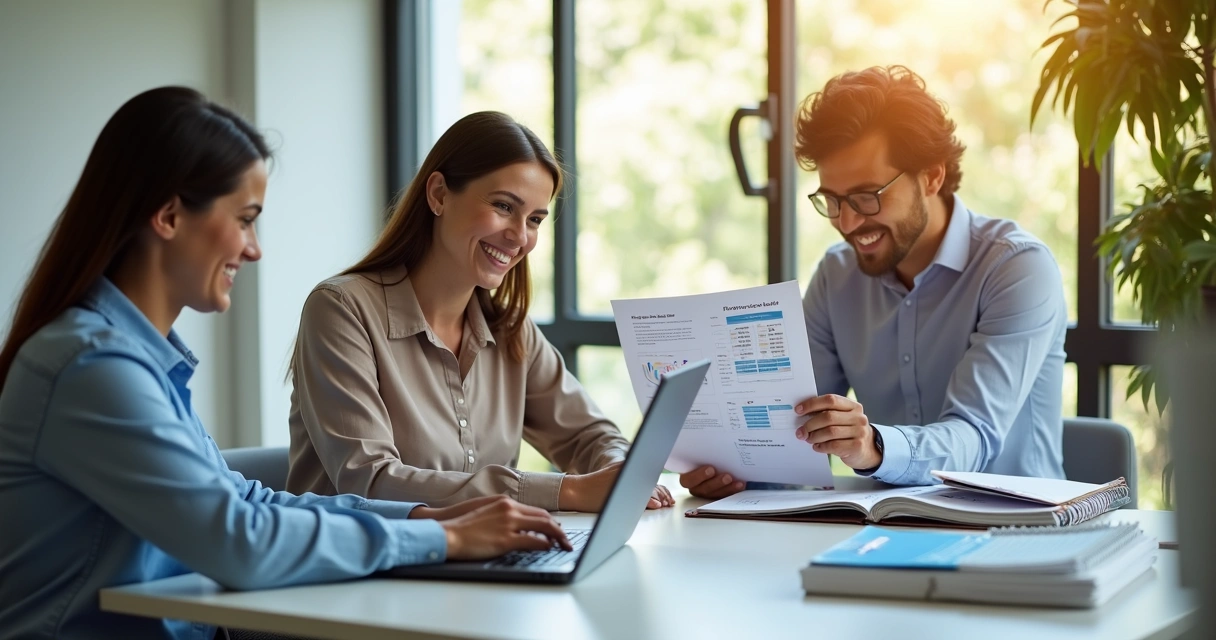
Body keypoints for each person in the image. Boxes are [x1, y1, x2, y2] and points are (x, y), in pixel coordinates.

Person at [0, 87, 570, 640]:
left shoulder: (138, 359)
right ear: (169, 216)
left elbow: (247, 501)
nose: (255, 249)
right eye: (245, 219)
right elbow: (238, 540)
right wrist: (445, 541)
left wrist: (430, 519)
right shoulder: (94, 367)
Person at [681, 65, 1068, 498]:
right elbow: (792, 423)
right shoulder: (837, 275)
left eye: (867, 197)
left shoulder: (1016, 269)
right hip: (885, 526)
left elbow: (974, 436)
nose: (847, 221)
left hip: (1018, 530)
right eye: (832, 200)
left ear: (932, 176)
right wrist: (737, 471)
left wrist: (873, 447)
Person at [286, 111, 673, 512]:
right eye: (504, 206)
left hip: (475, 564)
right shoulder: (341, 310)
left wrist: (621, 474)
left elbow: (590, 435)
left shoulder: (509, 330)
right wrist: (568, 491)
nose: (520, 237)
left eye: (535, 219)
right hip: (363, 567)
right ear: (438, 194)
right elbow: (369, 480)